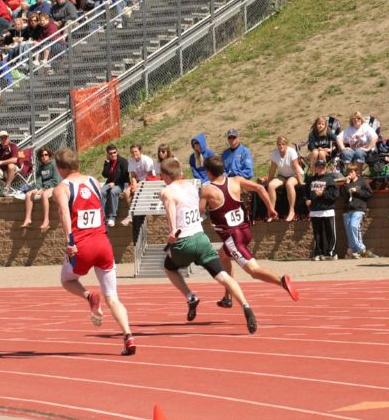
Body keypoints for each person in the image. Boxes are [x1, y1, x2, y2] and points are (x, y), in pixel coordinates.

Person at [51, 148, 136, 356]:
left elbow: (64, 212)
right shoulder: (94, 182)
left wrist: (69, 241)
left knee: (67, 280)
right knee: (113, 297)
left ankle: (89, 296)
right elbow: (100, 206)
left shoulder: (62, 188)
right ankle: (128, 336)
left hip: (82, 245)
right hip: (103, 244)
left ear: (61, 169)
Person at [159, 157, 258, 334]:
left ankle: (190, 297)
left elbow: (171, 209)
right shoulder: (191, 186)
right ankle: (246, 305)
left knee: (168, 268)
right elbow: (197, 209)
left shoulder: (167, 191)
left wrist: (173, 230)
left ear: (165, 175)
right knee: (223, 276)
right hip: (201, 239)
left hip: (183, 242)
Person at [200, 155, 300, 308]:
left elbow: (199, 213)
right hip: (245, 231)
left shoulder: (207, 190)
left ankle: (281, 281)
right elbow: (260, 187)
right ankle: (228, 297)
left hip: (233, 237)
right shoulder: (236, 180)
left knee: (253, 271)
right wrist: (270, 208)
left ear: (208, 172)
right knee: (223, 256)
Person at [341, 162, 377, 259]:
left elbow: (369, 194)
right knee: (349, 230)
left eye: (352, 172)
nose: (350, 174)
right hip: (347, 210)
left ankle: (361, 249)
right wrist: (346, 185)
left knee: (353, 226)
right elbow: (344, 196)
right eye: (348, 172)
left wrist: (357, 191)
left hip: (358, 209)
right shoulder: (346, 183)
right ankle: (354, 250)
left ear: (356, 172)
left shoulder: (362, 182)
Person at [306, 158, 339, 261]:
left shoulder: (330, 179)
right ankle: (318, 253)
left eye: (323, 167)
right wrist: (307, 200)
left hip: (327, 210)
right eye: (319, 167)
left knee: (330, 233)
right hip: (315, 211)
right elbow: (306, 193)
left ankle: (331, 253)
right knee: (317, 234)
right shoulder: (310, 180)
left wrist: (323, 194)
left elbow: (335, 195)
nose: (321, 168)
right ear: (315, 168)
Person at [22, 147, 61, 231]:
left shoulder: (54, 164)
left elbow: (55, 180)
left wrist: (43, 189)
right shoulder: (40, 167)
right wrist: (37, 188)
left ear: (49, 155)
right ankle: (28, 219)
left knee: (44, 195)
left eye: (46, 154)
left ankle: (46, 221)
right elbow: (39, 181)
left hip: (55, 186)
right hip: (43, 187)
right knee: (29, 194)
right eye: (42, 155)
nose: (44, 156)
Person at [266, 136, 304, 222]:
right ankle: (272, 211)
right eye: (279, 144)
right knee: (271, 185)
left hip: (295, 174)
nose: (281, 146)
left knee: (289, 184)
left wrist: (301, 182)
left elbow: (296, 168)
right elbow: (272, 169)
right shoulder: (274, 153)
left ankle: (291, 210)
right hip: (282, 175)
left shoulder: (292, 152)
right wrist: (268, 181)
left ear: (286, 145)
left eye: (283, 144)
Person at [121, 143, 156, 226]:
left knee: (136, 191)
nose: (134, 154)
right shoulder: (131, 161)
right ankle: (131, 214)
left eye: (136, 151)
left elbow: (150, 175)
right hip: (137, 181)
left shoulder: (146, 160)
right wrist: (134, 184)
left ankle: (134, 214)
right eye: (132, 152)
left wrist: (137, 185)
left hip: (148, 180)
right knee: (127, 193)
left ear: (140, 151)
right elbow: (133, 175)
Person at [100, 143, 129, 226]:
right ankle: (104, 217)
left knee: (113, 192)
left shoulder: (123, 161)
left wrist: (115, 183)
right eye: (110, 153)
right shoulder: (109, 162)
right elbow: (105, 175)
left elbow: (125, 175)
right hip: (110, 183)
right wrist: (106, 164)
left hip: (122, 183)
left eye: (114, 152)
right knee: (102, 192)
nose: (113, 155)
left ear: (117, 152)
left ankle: (112, 217)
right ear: (108, 154)